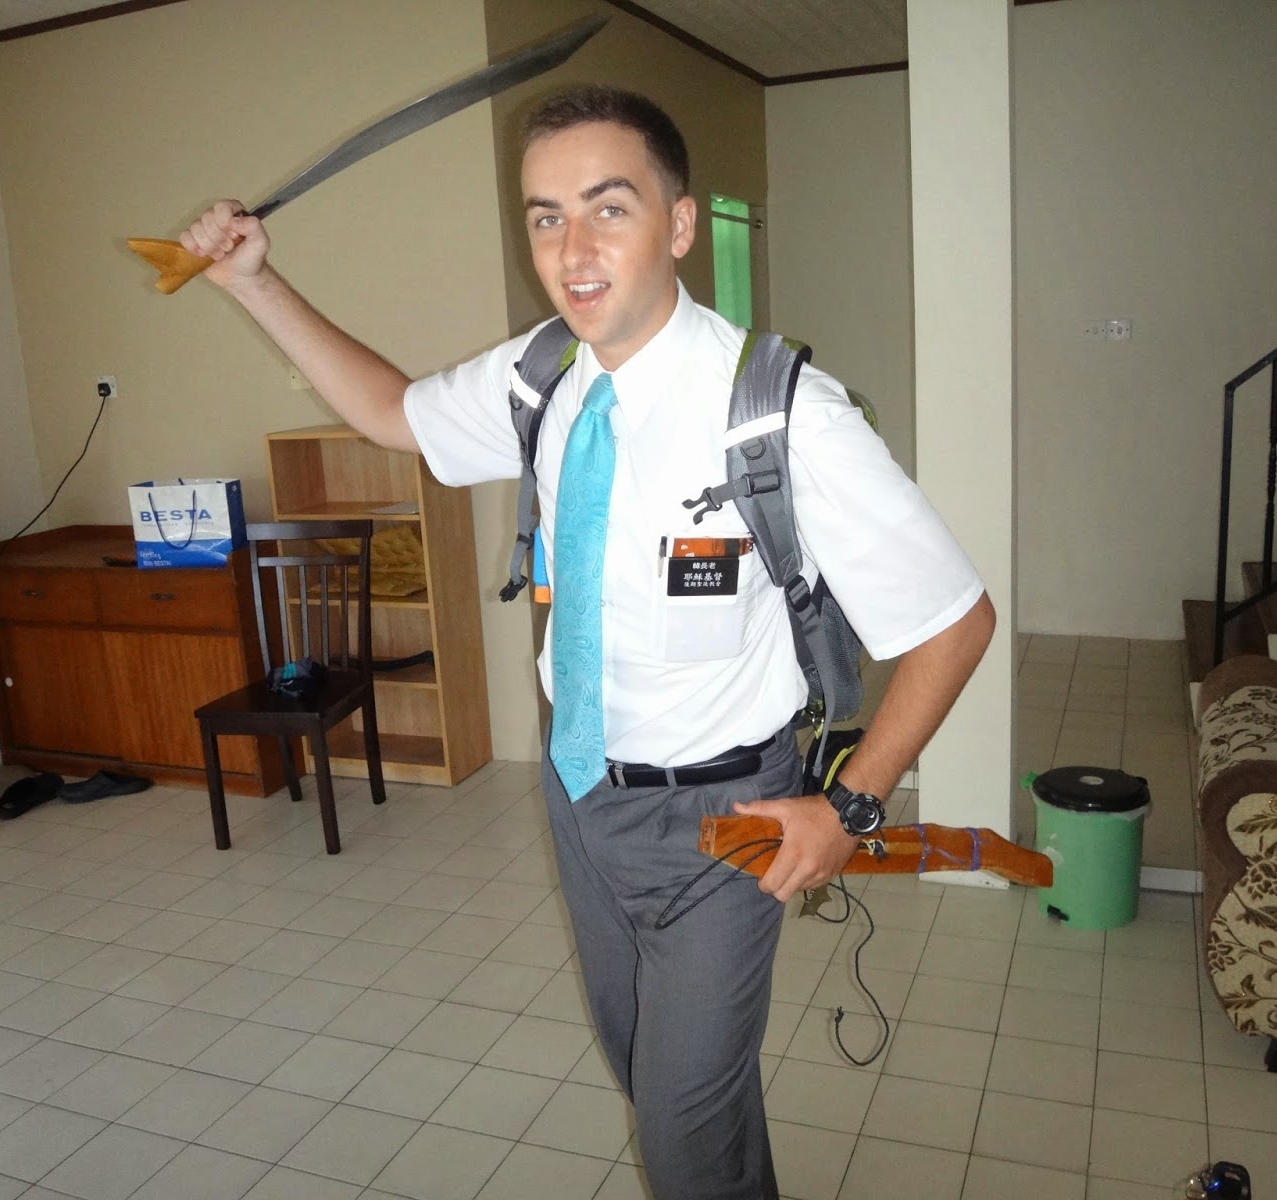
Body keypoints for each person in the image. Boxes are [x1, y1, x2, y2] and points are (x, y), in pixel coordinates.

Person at [181, 83, 994, 1200]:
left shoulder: (780, 411)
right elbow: (392, 413)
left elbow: (955, 621)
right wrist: (252, 282)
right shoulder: (543, 376)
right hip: (580, 798)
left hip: (726, 821)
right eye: (545, 217)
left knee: (682, 1134)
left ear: (679, 223)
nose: (573, 250)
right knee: (656, 1079)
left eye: (609, 209)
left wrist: (848, 806)